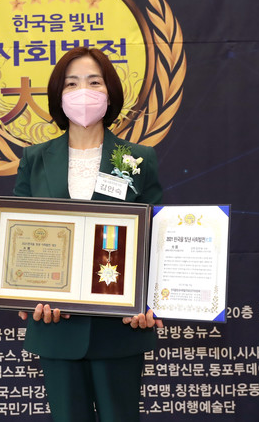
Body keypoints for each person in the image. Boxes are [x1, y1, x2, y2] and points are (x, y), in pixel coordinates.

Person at [13, 46, 164, 421]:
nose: (83, 92)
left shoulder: (137, 159)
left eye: (94, 82)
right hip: (56, 325)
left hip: (120, 328)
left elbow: (155, 239)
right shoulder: (34, 159)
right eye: (72, 84)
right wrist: (25, 293)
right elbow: (19, 238)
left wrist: (151, 302)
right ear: (58, 95)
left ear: (110, 92)